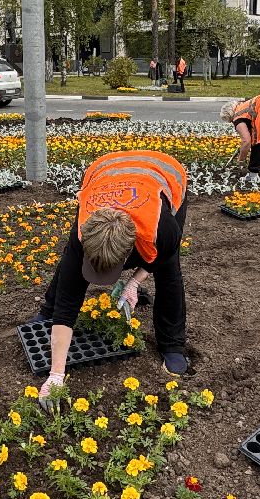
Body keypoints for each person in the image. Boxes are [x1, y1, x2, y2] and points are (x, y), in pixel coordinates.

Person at [36, 150, 191, 406]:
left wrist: (135, 281)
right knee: (69, 267)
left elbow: (161, 257)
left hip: (165, 173)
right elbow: (69, 303)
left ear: (130, 251)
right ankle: (46, 309)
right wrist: (56, 375)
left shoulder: (161, 228)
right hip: (106, 171)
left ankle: (172, 345)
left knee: (169, 274)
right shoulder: (82, 230)